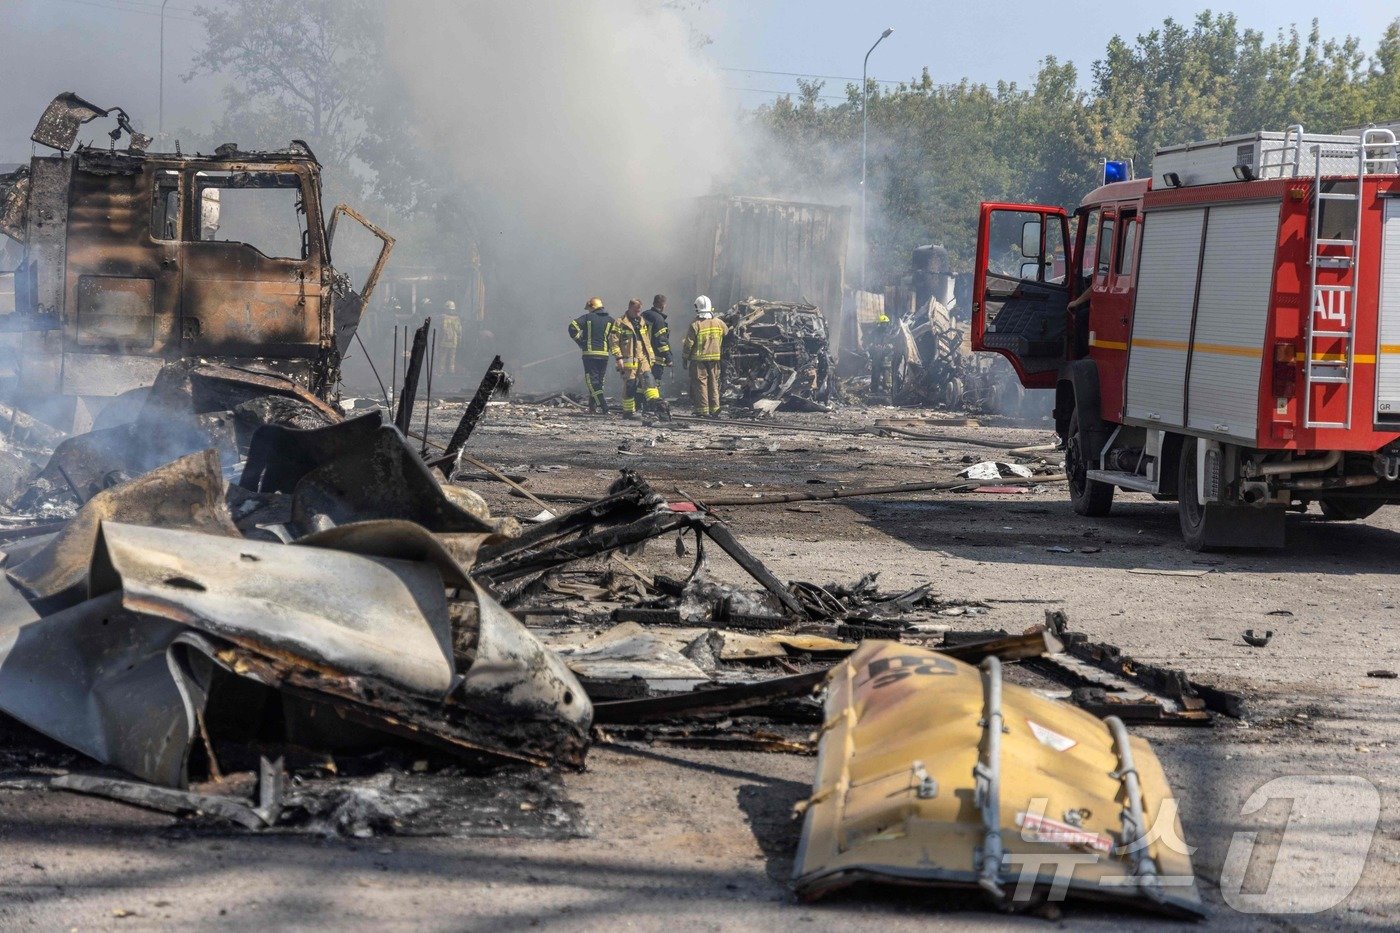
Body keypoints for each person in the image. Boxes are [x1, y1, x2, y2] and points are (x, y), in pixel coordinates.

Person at [608, 298, 666, 419]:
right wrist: (618, 358)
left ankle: (656, 405)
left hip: (643, 358)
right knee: (630, 385)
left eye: (639, 311)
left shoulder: (642, 321)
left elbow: (646, 340)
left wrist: (651, 357)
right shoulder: (620, 322)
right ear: (629, 308)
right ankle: (628, 412)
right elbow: (614, 341)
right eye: (636, 311)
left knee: (649, 380)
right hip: (628, 360)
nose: (638, 314)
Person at [683, 295, 727, 417]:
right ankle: (715, 408)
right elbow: (727, 333)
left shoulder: (695, 324)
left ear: (697, 308)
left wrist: (685, 358)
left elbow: (688, 344)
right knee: (714, 383)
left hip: (699, 360)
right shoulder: (719, 323)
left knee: (701, 384)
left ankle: (702, 410)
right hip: (715, 359)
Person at [568, 297, 614, 413]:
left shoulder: (587, 318)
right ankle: (592, 407)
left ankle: (604, 406)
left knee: (592, 382)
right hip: (604, 355)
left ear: (592, 307)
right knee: (599, 381)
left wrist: (580, 342)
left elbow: (572, 327)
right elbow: (616, 337)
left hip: (590, 354)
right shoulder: (610, 320)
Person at [642, 294, 672, 390]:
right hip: (656, 357)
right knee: (654, 382)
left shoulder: (643, 315)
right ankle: (652, 403)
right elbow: (661, 341)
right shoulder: (659, 319)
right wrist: (668, 358)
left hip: (643, 355)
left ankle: (640, 403)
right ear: (663, 305)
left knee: (643, 381)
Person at [868, 312, 897, 401]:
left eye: (885, 323)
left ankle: (886, 390)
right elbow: (868, 343)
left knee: (887, 373)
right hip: (876, 356)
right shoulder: (874, 333)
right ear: (879, 324)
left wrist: (889, 347)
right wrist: (873, 347)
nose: (884, 325)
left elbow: (894, 344)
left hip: (886, 356)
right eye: (882, 323)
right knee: (875, 373)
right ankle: (874, 390)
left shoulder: (891, 332)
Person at [440, 300, 462, 377]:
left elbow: (442, 329)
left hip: (444, 341)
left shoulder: (442, 317)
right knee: (452, 357)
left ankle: (441, 371)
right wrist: (460, 340)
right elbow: (459, 331)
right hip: (454, 342)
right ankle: (451, 371)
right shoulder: (457, 319)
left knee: (443, 356)